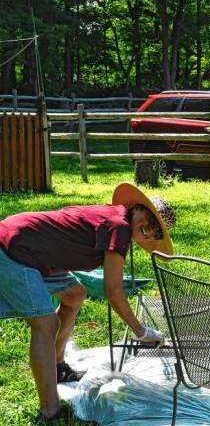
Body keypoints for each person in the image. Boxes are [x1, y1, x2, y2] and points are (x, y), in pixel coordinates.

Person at [0, 182, 176, 424]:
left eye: (156, 232)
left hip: (38, 251)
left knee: (74, 294)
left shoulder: (119, 222)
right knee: (45, 323)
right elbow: (113, 292)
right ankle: (51, 412)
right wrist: (142, 332)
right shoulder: (119, 227)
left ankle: (58, 365)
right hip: (16, 247)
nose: (148, 230)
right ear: (138, 207)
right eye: (149, 220)